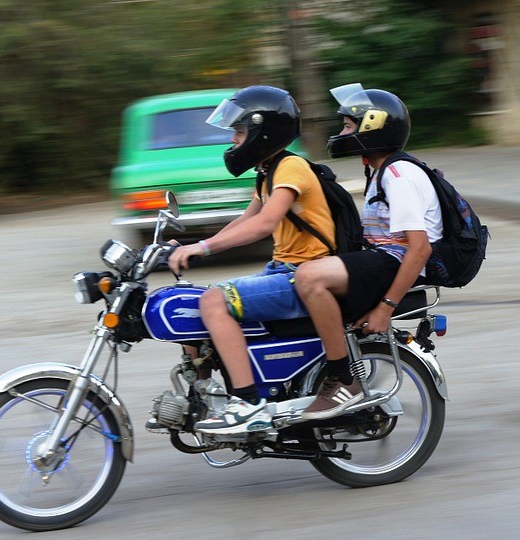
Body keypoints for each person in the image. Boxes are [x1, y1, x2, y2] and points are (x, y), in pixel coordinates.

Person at [167, 85, 335, 434]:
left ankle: (248, 404)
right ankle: (204, 393)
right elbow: (244, 220)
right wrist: (194, 244)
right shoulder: (268, 172)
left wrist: (203, 250)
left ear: (264, 132)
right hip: (282, 270)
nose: (233, 140)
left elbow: (264, 223)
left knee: (214, 302)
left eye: (240, 132)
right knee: (194, 306)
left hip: (303, 276)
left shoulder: (291, 168)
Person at [294, 84, 442, 420]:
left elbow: (419, 249)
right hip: (385, 262)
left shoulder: (399, 175)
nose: (341, 133)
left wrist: (385, 309)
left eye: (348, 126)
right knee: (304, 271)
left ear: (373, 127)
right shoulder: (384, 171)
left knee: (310, 278)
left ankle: (344, 380)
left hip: (396, 265)